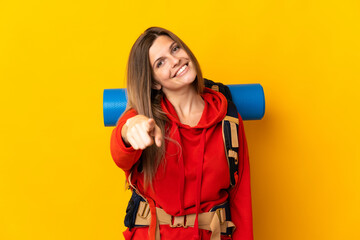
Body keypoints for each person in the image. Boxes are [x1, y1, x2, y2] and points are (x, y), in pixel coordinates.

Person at [110, 27, 253, 240]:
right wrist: (129, 131)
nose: (175, 60)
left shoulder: (228, 119)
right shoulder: (143, 118)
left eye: (175, 49)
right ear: (154, 82)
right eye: (161, 62)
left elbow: (240, 198)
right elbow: (120, 152)